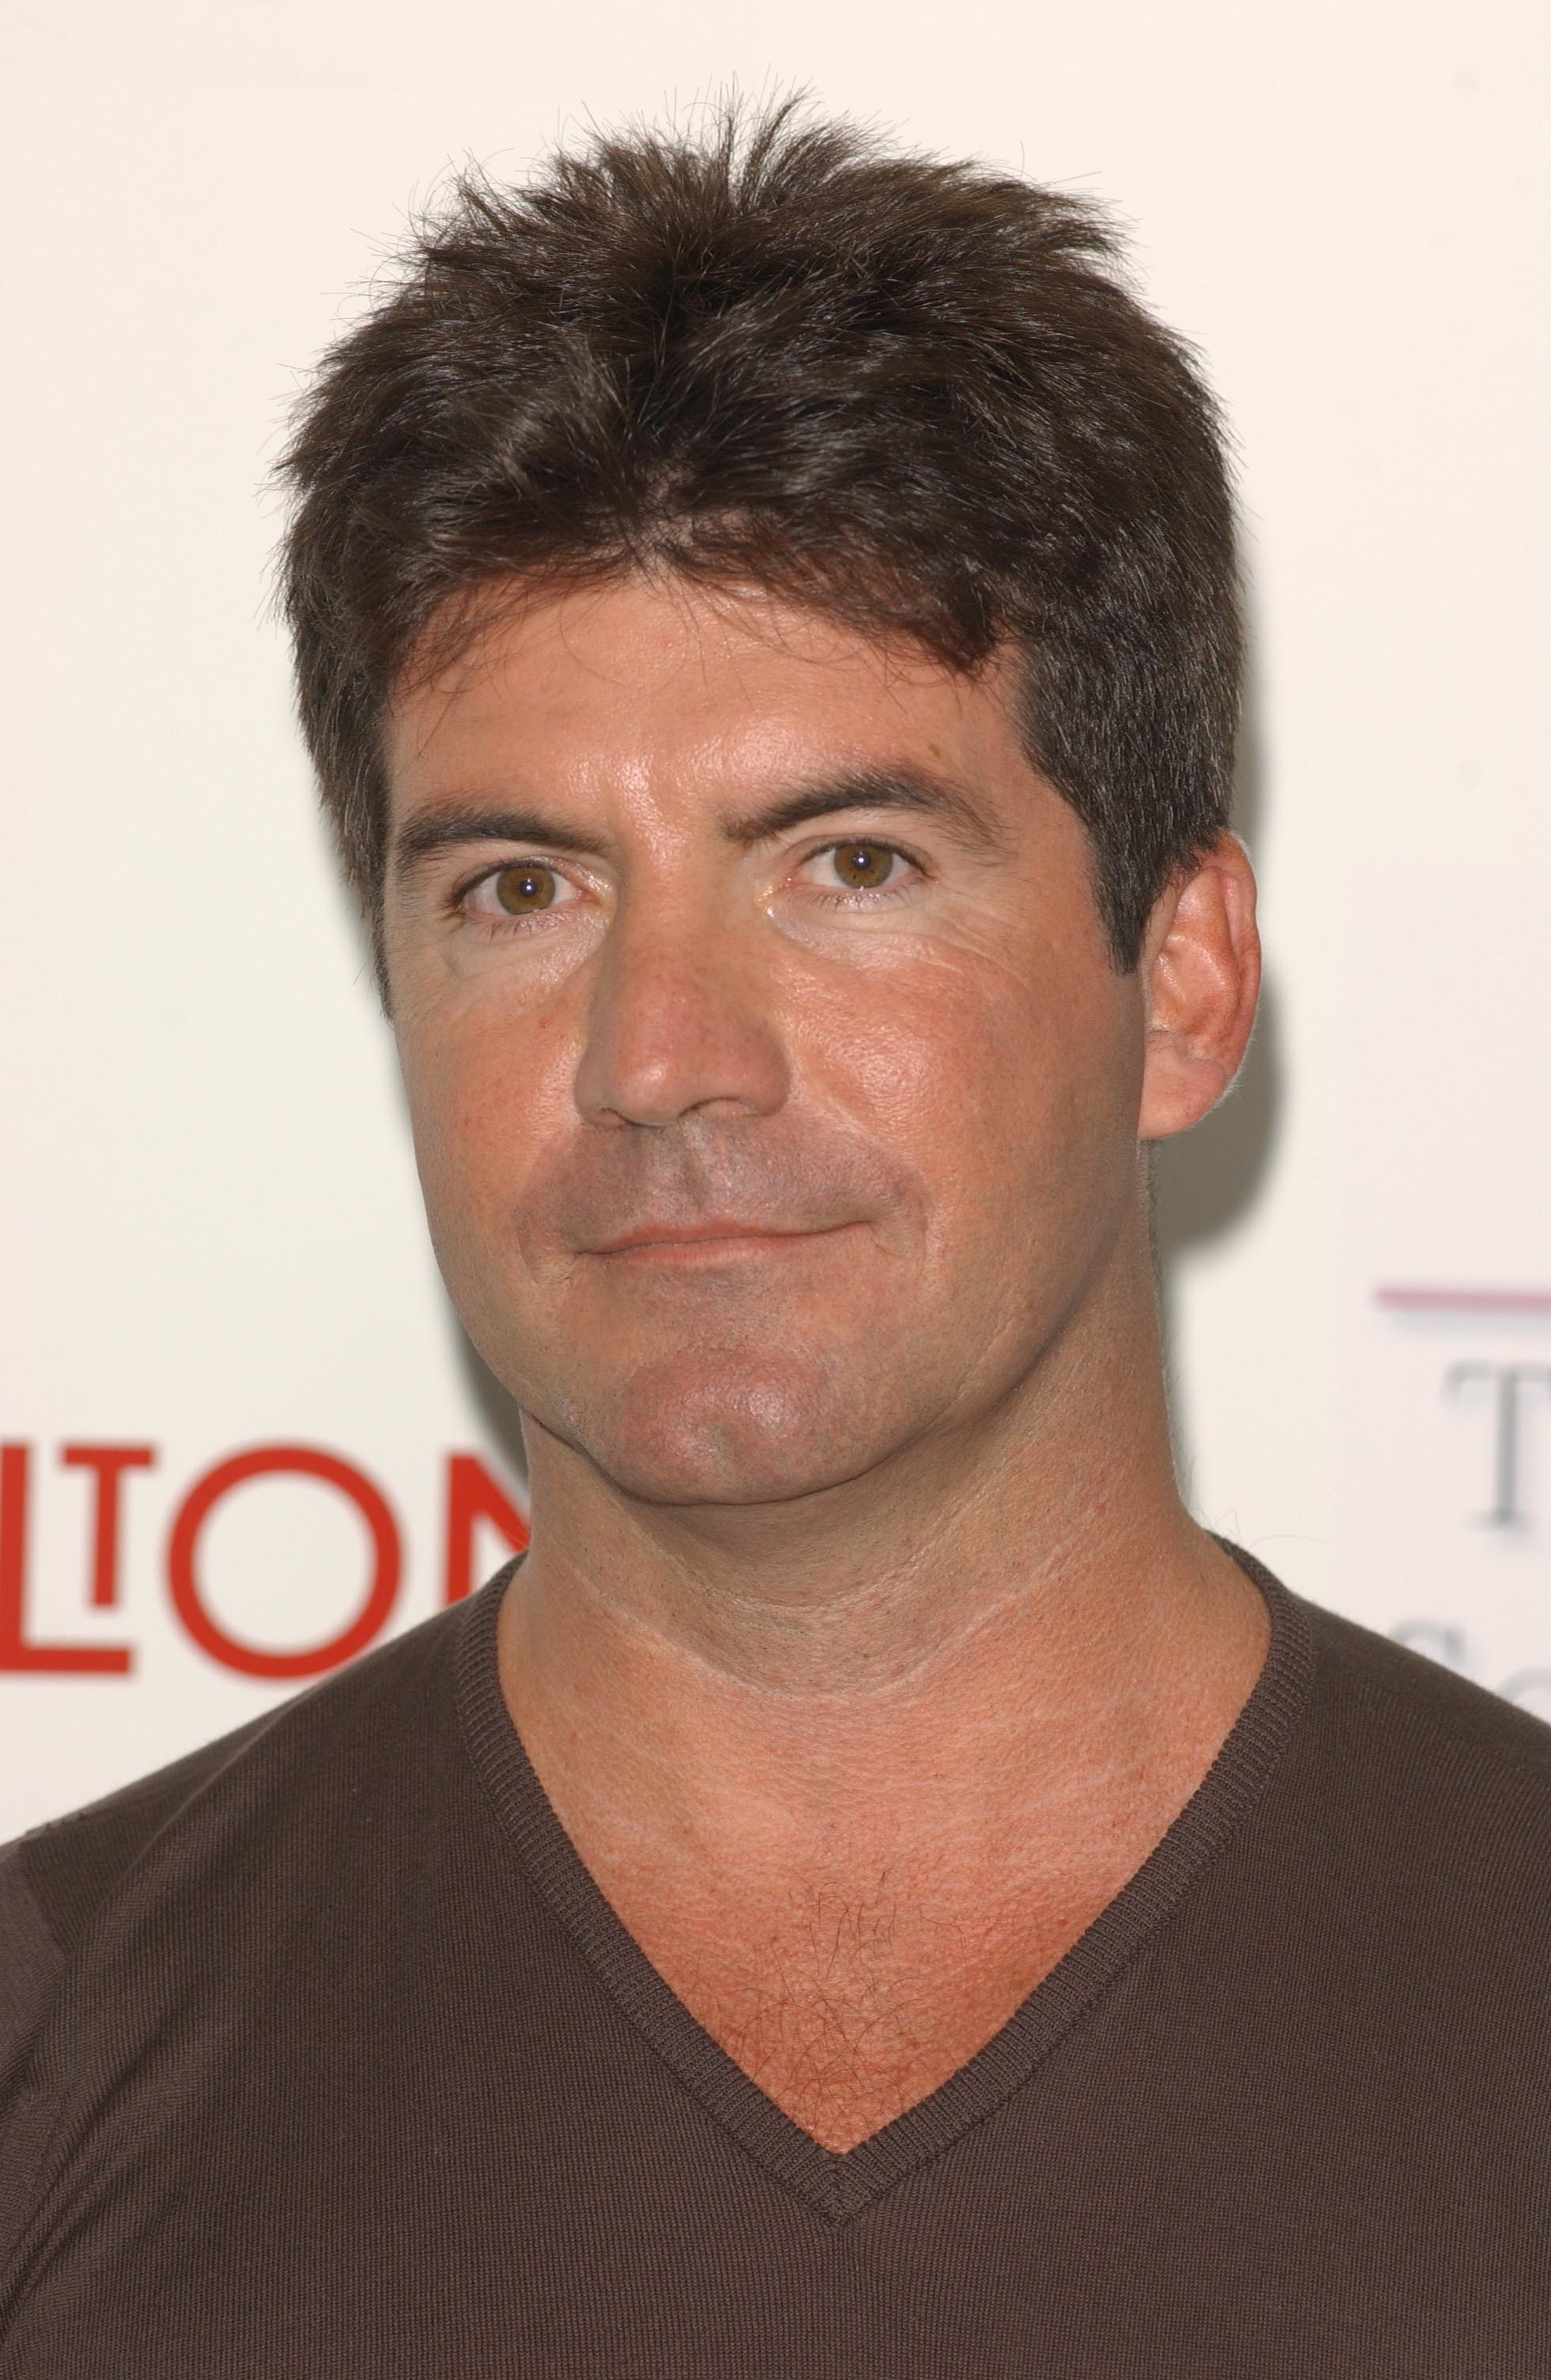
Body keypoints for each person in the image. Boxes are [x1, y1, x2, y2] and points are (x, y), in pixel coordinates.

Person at [1, 102, 1546, 2377]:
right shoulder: (53, 2054)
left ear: (1185, 985)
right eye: (521, 892)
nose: (661, 1055)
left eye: (850, 863)